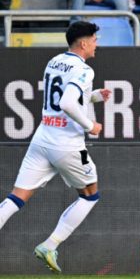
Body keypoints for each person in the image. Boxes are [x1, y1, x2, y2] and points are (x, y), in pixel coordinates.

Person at [0, 21, 110, 273]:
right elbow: (68, 102)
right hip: (66, 143)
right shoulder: (85, 69)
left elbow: (63, 95)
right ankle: (50, 245)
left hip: (42, 137)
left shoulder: (54, 61)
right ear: (83, 43)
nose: (96, 44)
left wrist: (93, 96)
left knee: (16, 197)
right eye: (94, 39)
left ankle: (49, 245)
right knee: (90, 194)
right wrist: (90, 125)